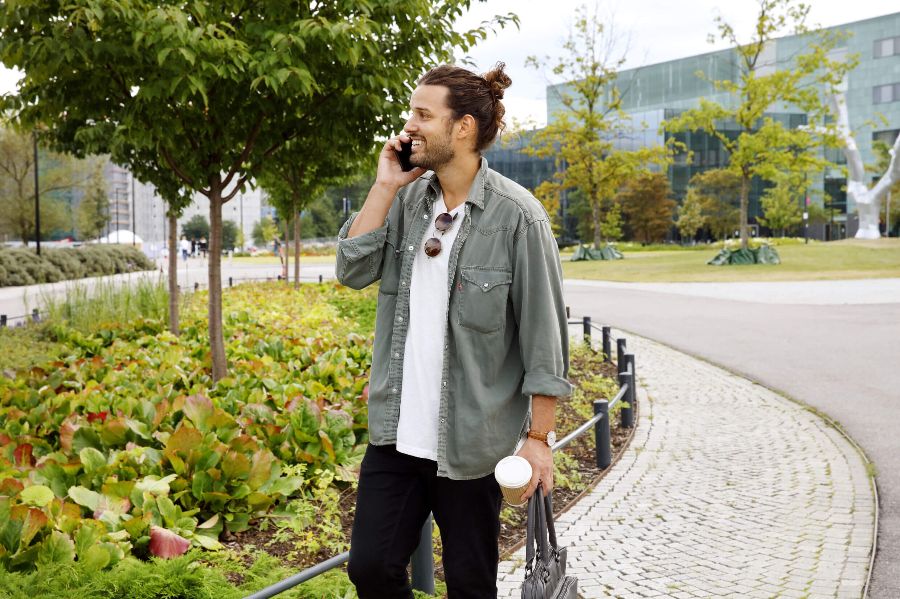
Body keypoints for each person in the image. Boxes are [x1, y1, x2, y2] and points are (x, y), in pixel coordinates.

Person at [336, 63, 571, 599]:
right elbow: (352, 269)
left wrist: (538, 440)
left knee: (469, 585)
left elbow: (544, 338)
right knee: (369, 570)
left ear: (463, 127)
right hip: (395, 436)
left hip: (472, 446)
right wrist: (384, 186)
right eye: (411, 113)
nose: (409, 125)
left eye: (423, 115)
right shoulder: (407, 203)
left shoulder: (518, 218)